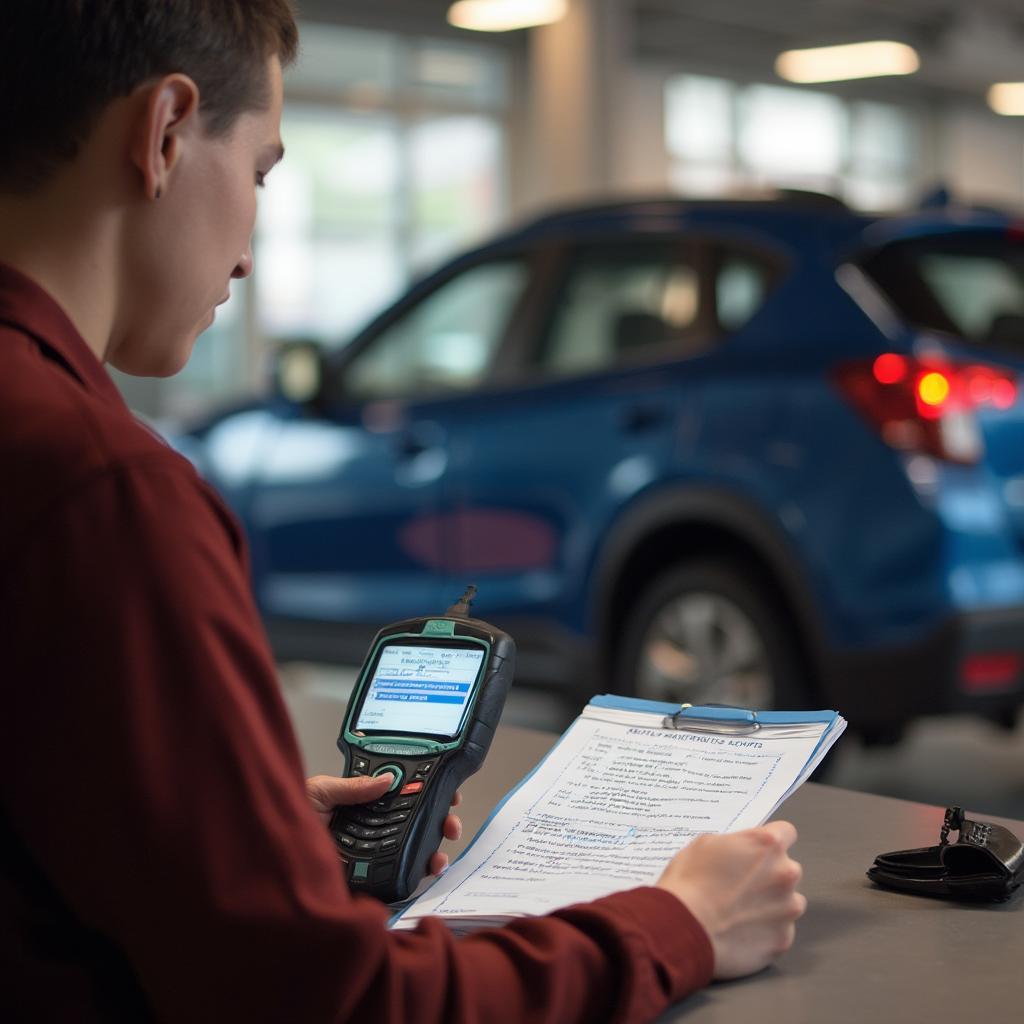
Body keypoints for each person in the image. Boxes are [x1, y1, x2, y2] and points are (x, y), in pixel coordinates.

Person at [0, 2, 806, 1021]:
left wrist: (218, 838)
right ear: (164, 132)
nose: (247, 255)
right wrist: (677, 924)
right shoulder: (105, 489)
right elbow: (331, 1002)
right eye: (257, 173)